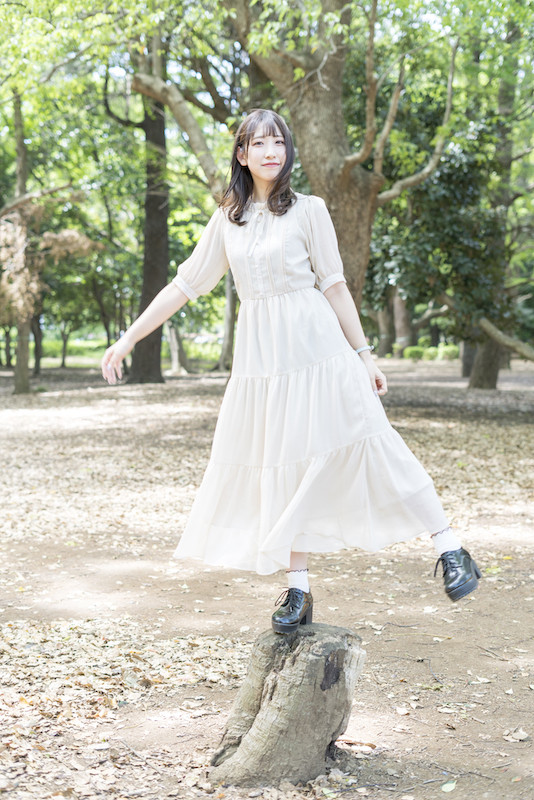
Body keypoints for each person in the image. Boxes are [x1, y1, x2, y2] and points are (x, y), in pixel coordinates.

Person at [102, 108, 481, 634]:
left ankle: (450, 546)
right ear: (241, 154)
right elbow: (184, 286)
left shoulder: (309, 210)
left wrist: (364, 354)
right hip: (264, 364)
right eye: (259, 143)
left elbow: (334, 284)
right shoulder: (228, 219)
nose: (271, 151)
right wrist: (129, 338)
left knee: (373, 439)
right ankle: (298, 590)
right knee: (284, 467)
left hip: (320, 351)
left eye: (278, 141)